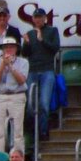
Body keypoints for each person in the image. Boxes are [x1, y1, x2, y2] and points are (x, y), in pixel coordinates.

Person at [22, 8, 61, 140]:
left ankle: (43, 131)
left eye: (40, 17)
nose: (38, 19)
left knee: (44, 103)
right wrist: (26, 43)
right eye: (36, 17)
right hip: (32, 70)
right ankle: (33, 132)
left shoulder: (52, 30)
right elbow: (25, 53)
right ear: (33, 19)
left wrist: (42, 40)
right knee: (30, 104)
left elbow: (55, 48)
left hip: (47, 70)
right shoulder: (29, 33)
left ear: (45, 18)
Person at [0, 38, 29, 153]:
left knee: (17, 132)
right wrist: (3, 65)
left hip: (17, 96)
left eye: (11, 47)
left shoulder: (23, 62)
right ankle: (0, 160)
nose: (8, 49)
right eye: (6, 47)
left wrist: (11, 66)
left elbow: (21, 80)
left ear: (16, 49)